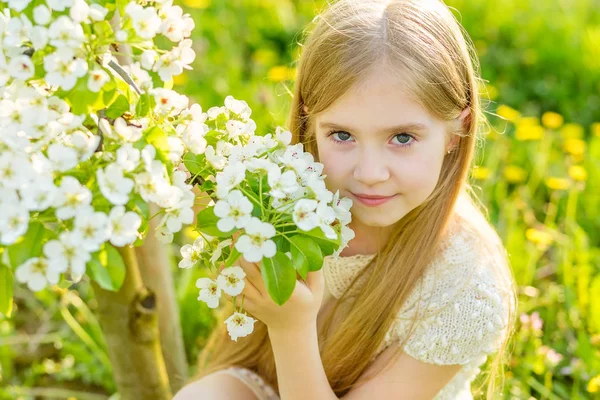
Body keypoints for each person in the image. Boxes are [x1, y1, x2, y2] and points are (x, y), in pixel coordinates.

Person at [174, 0, 518, 398]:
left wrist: (290, 327)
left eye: (402, 137)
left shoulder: (466, 287)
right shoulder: (285, 201)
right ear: (310, 124)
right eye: (342, 135)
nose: (370, 173)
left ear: (457, 132)